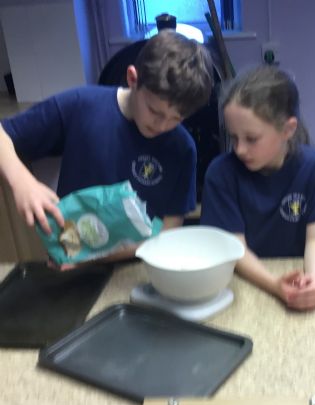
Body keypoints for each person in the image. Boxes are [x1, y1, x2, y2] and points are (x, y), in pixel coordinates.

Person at [0, 30, 213, 259]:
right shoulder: (81, 105)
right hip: (70, 253)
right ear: (133, 79)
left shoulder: (182, 148)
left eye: (176, 118)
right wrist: (23, 182)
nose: (162, 125)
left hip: (138, 260)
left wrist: (101, 257)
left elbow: (169, 230)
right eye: (154, 111)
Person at [200, 66, 315, 311]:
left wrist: (312, 280)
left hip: (294, 272)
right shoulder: (221, 174)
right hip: (242, 284)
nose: (239, 149)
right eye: (233, 137)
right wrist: (275, 285)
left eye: (251, 139)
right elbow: (235, 250)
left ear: (288, 130)